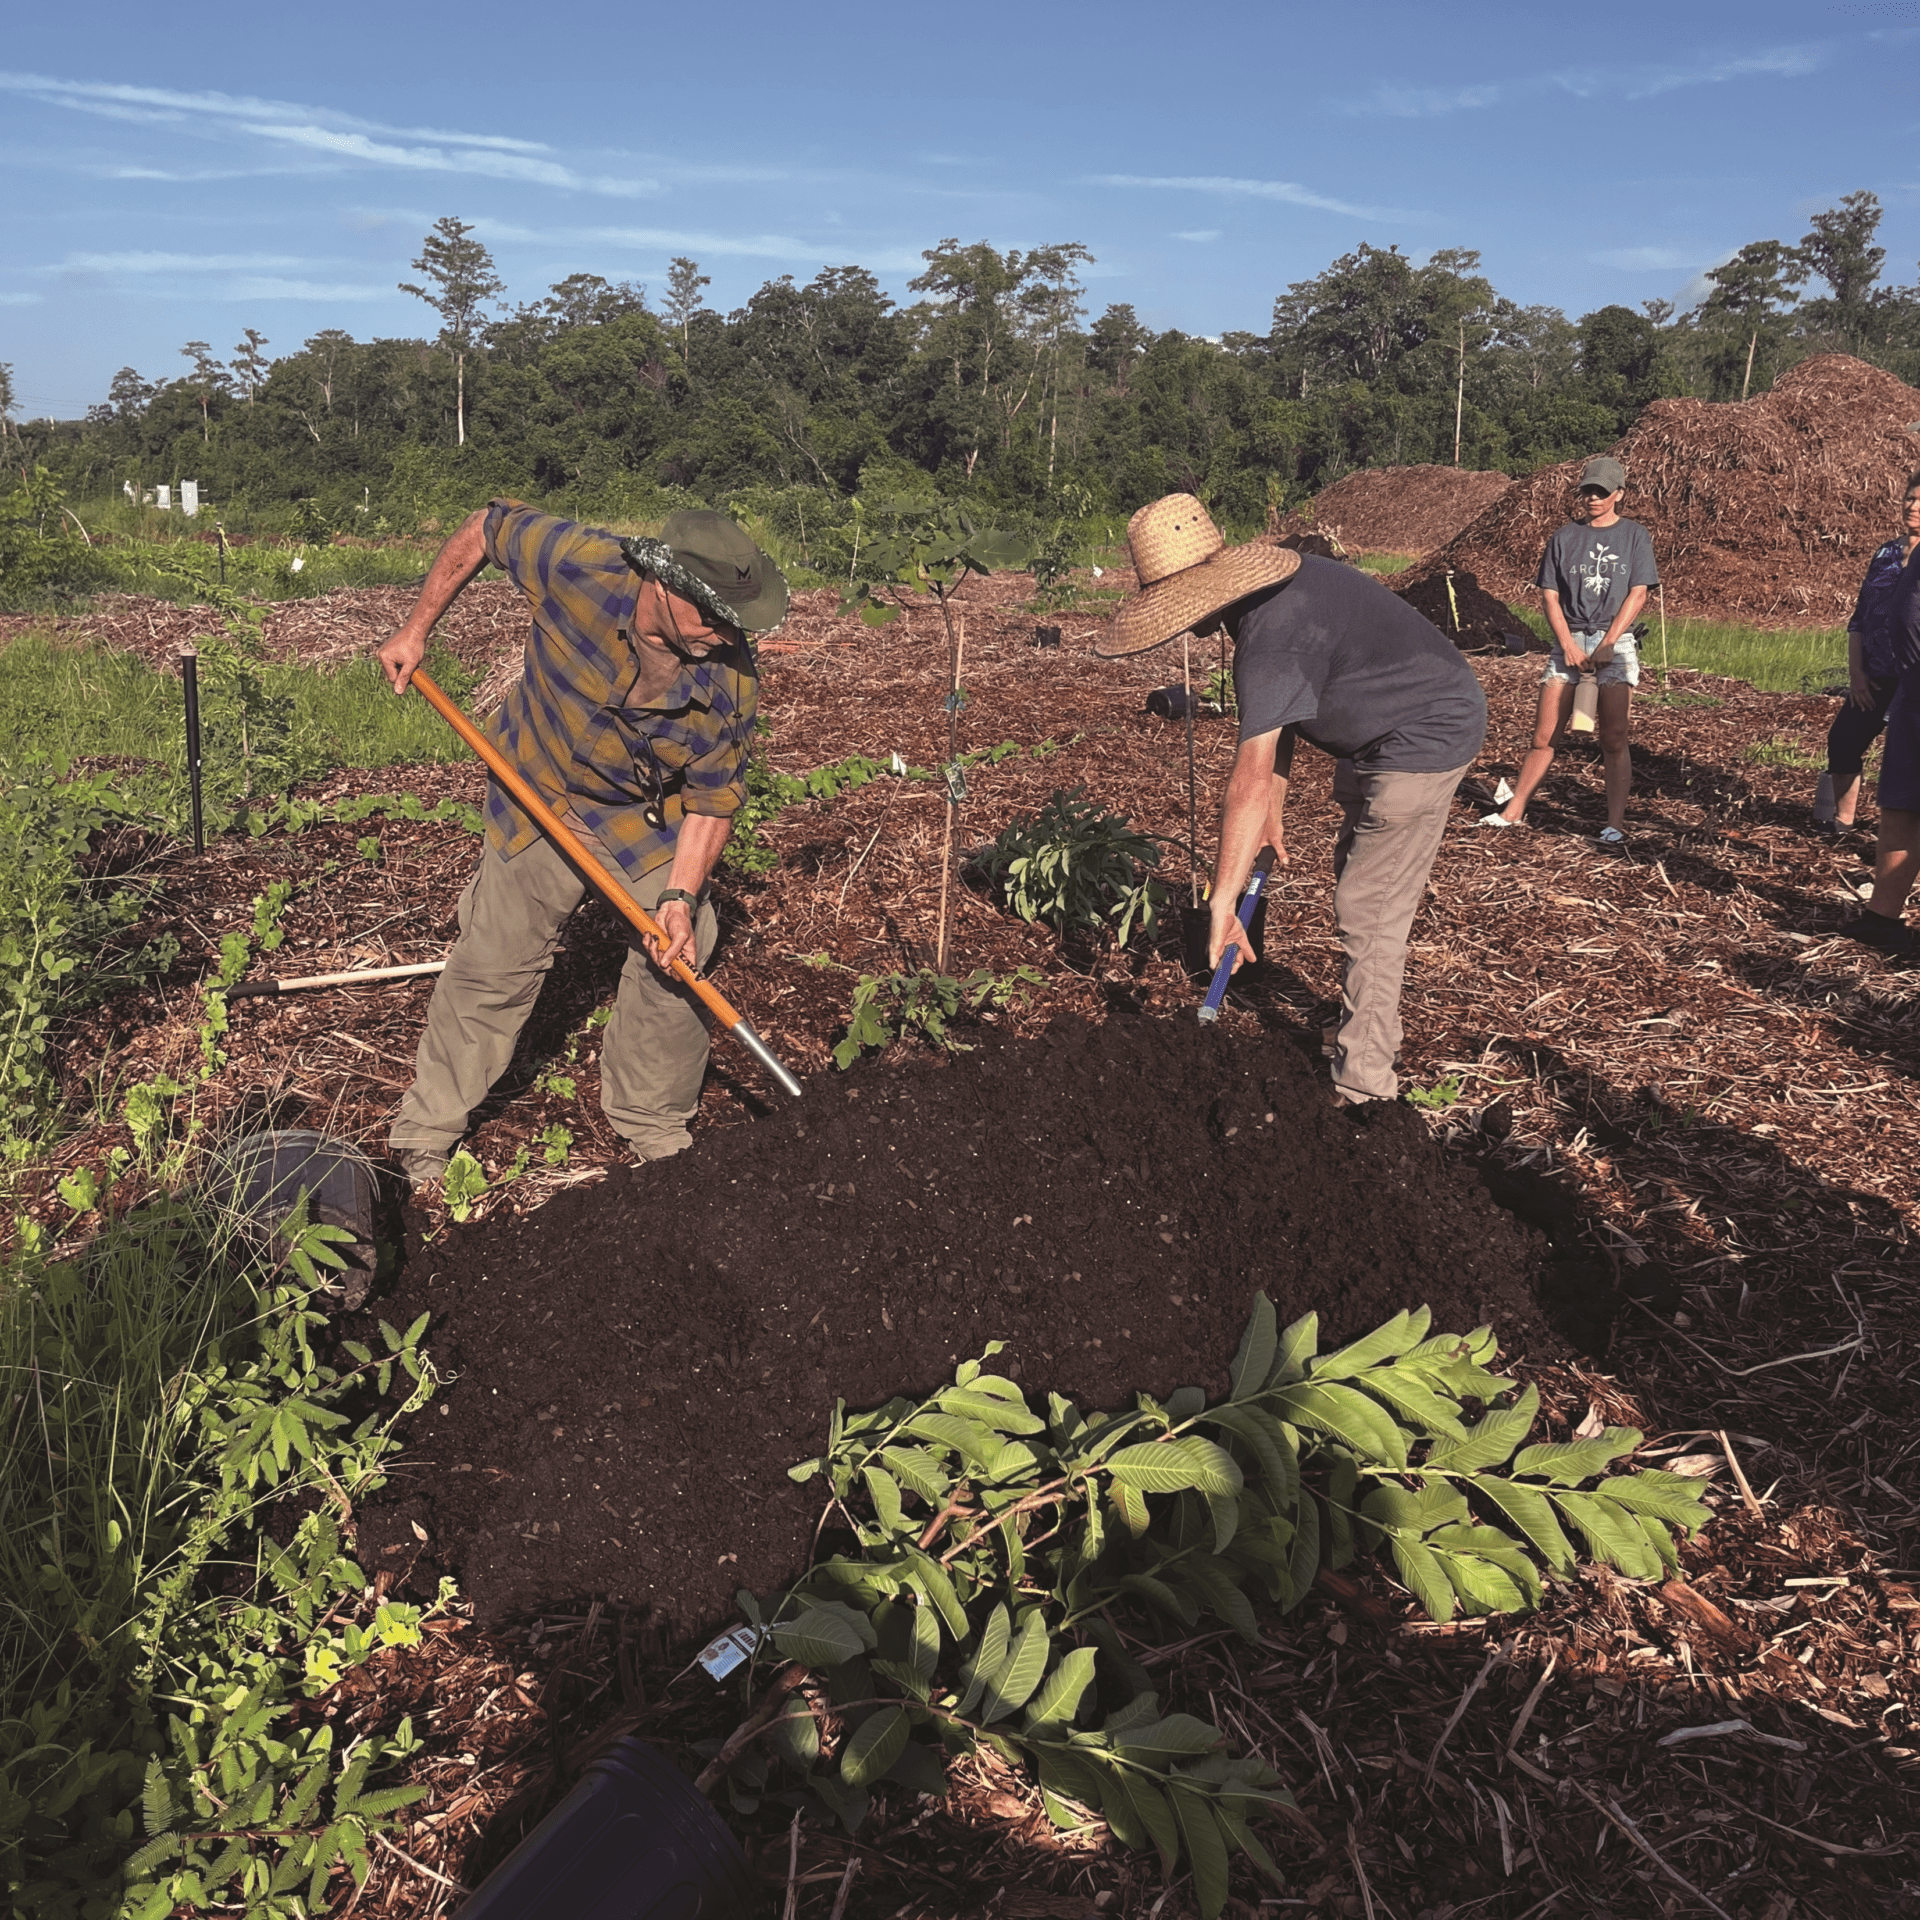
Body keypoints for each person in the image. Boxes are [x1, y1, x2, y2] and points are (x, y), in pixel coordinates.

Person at [376, 500, 788, 1186]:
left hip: (635, 812)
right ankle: (425, 1133)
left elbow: (714, 800)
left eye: (735, 621)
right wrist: (414, 631)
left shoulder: (730, 677)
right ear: (664, 584)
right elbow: (484, 525)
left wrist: (680, 898)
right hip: (532, 780)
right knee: (496, 959)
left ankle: (652, 1120)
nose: (726, 634)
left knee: (684, 951)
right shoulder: (583, 565)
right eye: (713, 617)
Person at [1098, 494, 1487, 1106]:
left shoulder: (1273, 635)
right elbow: (1278, 731)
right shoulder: (1272, 602)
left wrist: (1223, 899)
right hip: (1378, 725)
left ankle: (1364, 1084)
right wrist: (1271, 812)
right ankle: (1365, 1025)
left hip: (1424, 731)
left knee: (1370, 910)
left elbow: (1249, 774)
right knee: (1362, 883)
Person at [1480, 455, 1658, 846]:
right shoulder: (1563, 538)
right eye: (1588, 491)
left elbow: (1639, 591)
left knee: (1613, 737)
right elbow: (1550, 594)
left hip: (1616, 643)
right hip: (1569, 641)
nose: (1593, 498)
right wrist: (1566, 644)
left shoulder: (1634, 536)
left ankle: (1615, 823)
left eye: (1602, 491)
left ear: (1619, 494)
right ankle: (1514, 810)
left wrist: (1610, 642)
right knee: (1545, 735)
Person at [1813, 473, 1920, 840]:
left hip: (1915, 678)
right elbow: (1859, 617)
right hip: (1875, 675)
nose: (1913, 506)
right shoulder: (1886, 553)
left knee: (1908, 762)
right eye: (1909, 497)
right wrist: (1856, 672)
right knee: (1843, 740)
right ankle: (1842, 824)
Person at [1851, 521, 1920, 955]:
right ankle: (1880, 918)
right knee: (1900, 807)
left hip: (1914, 692)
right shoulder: (1899, 556)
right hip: (1913, 693)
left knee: (1905, 806)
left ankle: (1884, 920)